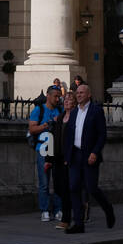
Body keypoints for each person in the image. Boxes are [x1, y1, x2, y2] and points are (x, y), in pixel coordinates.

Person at [63, 83, 115, 234]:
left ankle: (108, 208)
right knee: (73, 188)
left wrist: (95, 152)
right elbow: (69, 135)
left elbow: (102, 135)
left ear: (89, 95)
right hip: (75, 155)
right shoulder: (73, 113)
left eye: (81, 93)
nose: (78, 95)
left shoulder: (96, 111)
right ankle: (79, 224)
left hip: (89, 155)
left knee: (91, 188)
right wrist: (67, 155)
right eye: (77, 93)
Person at [27, 85, 63, 222]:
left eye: (59, 96)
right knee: (44, 182)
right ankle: (45, 210)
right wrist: (47, 124)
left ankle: (58, 209)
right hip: (43, 149)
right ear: (48, 96)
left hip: (57, 149)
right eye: (55, 96)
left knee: (58, 181)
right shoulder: (39, 110)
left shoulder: (60, 110)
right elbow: (32, 129)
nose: (58, 99)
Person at [47, 89, 77, 228]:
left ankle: (66, 219)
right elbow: (52, 139)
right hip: (57, 158)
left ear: (75, 103)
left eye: (69, 99)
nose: (66, 101)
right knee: (58, 188)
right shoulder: (60, 117)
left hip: (69, 159)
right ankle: (78, 207)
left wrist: (70, 157)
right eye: (65, 99)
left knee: (66, 189)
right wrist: (48, 159)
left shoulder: (76, 118)